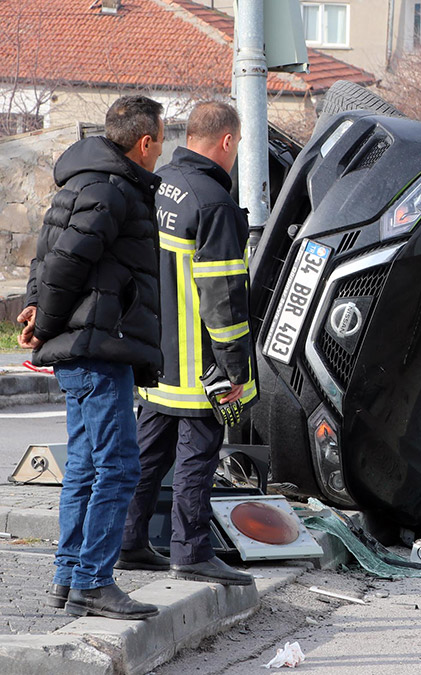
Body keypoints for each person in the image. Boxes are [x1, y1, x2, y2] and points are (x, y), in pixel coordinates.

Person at [19, 95, 165, 620]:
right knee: (120, 466)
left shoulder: (82, 180)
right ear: (145, 143)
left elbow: (44, 256)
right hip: (98, 347)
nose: (159, 153)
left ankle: (68, 576)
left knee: (83, 465)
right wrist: (46, 324)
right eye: (160, 142)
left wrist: (36, 308)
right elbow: (63, 264)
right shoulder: (111, 188)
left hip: (92, 346)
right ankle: (93, 581)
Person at [118, 101, 256, 586]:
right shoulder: (212, 202)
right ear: (226, 141)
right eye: (237, 146)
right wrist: (235, 368)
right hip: (202, 364)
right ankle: (191, 552)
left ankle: (128, 542)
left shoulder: (162, 186)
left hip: (157, 359)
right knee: (197, 456)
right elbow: (222, 294)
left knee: (147, 455)